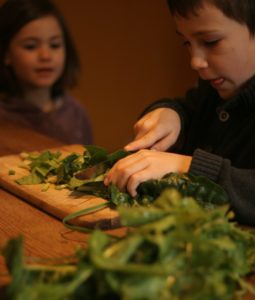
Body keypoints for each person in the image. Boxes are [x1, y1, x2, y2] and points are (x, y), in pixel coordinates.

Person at [104, 0, 255, 227]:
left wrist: (187, 168)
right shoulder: (214, 91)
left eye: (210, 42)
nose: (195, 61)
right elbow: (187, 109)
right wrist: (171, 113)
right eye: (187, 42)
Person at [0, 0, 92, 144]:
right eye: (31, 46)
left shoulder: (76, 114)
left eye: (55, 45)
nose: (45, 56)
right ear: (6, 54)